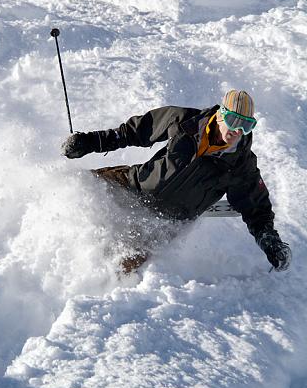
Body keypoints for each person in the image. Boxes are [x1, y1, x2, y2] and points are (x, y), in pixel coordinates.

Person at [61, 90, 292, 273]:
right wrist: (88, 143)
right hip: (134, 185)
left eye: (246, 125)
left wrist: (270, 241)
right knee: (74, 186)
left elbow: (258, 210)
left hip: (163, 222)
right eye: (232, 120)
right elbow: (132, 132)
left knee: (121, 266)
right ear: (220, 114)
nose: (237, 131)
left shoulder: (241, 165)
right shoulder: (184, 121)